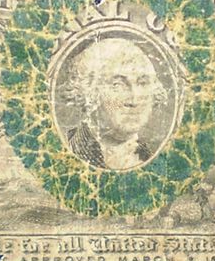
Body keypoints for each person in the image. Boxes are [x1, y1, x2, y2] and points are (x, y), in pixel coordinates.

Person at [63, 37, 161, 169]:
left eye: (142, 83)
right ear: (88, 92)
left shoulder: (157, 159)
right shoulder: (62, 153)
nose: (134, 99)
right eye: (117, 85)